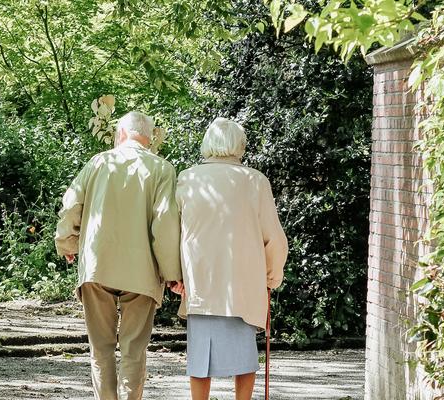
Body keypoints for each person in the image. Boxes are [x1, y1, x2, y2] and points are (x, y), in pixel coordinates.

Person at [55, 110, 183, 400]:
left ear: (121, 133)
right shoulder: (162, 169)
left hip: (97, 265)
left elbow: (71, 206)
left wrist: (67, 244)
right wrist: (172, 274)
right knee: (134, 350)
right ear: (148, 140)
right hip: (142, 272)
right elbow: (164, 225)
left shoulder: (98, 162)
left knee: (100, 349)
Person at [172, 117, 288, 400]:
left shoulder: (188, 178)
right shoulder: (255, 181)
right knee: (244, 355)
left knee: (200, 357)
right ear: (240, 145)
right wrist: (272, 276)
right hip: (243, 281)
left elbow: (172, 231)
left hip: (200, 279)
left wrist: (174, 275)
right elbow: (274, 237)